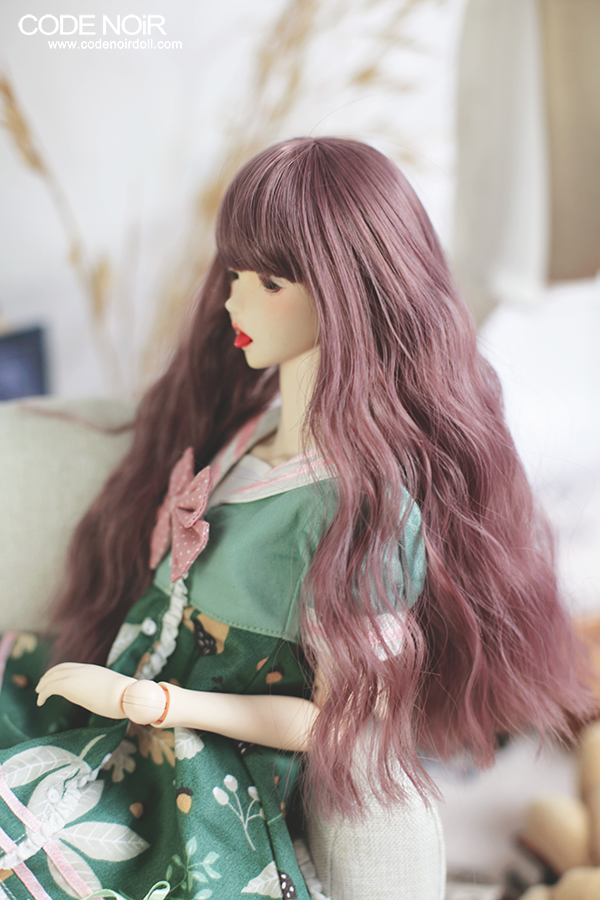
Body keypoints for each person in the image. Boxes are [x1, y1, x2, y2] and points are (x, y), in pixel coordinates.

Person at [0, 137, 592, 900]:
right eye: (236, 275)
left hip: (198, 775)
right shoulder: (246, 429)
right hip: (117, 709)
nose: (234, 301)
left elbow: (342, 725)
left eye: (270, 283)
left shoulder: (362, 511)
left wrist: (159, 703)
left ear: (349, 294)